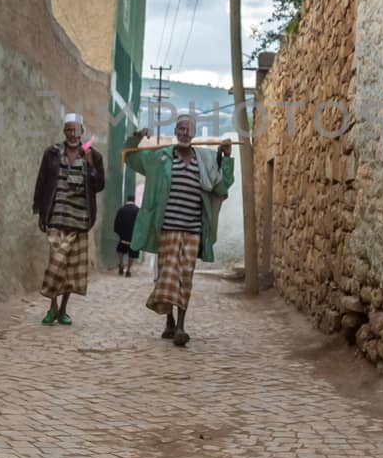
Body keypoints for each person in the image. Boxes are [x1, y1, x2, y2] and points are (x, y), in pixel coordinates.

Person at [122, 114, 233, 347]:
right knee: (168, 276)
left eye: (188, 130)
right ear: (176, 131)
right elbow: (129, 158)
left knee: (185, 278)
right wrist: (137, 137)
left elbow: (222, 184)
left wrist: (227, 157)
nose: (184, 133)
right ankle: (170, 321)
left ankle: (181, 325)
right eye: (180, 129)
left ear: (193, 134)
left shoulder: (204, 160)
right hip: (168, 229)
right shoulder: (158, 158)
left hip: (193, 231)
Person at [32, 113, 105, 326]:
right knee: (56, 263)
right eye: (69, 130)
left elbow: (99, 185)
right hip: (56, 218)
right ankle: (52, 307)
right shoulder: (52, 154)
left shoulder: (94, 156)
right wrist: (39, 211)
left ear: (82, 132)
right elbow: (42, 182)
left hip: (80, 221)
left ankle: (63, 309)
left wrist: (91, 166)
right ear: (64, 132)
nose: (72, 134)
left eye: (76, 130)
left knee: (71, 269)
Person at [113, 194, 140, 276]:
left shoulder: (121, 210)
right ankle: (128, 270)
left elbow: (116, 223)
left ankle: (121, 265)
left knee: (120, 250)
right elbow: (140, 224)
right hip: (133, 237)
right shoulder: (138, 210)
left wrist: (119, 233)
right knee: (132, 253)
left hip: (123, 236)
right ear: (134, 200)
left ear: (127, 199)